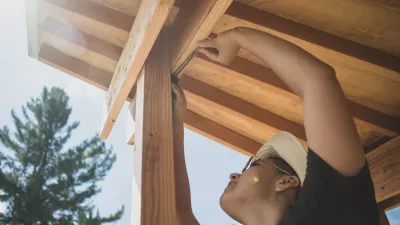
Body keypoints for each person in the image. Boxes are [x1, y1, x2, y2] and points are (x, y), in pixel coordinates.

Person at [171, 27, 379, 225]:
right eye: (253, 166)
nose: (233, 175)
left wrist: (239, 36)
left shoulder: (330, 208)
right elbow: (316, 81)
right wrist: (174, 122)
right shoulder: (330, 206)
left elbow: (178, 214)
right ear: (286, 181)